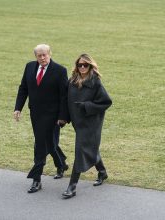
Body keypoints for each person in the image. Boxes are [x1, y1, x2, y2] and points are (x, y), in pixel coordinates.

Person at [14, 44, 69, 193]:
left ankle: (36, 179)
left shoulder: (60, 70)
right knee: (50, 144)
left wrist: (63, 117)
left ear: (50, 54)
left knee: (40, 145)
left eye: (45, 55)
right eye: (39, 55)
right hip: (36, 114)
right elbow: (23, 88)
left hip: (53, 116)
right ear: (35, 57)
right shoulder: (29, 67)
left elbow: (64, 96)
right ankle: (61, 164)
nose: (42, 58)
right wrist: (18, 108)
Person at [62, 53, 112, 199]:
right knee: (89, 148)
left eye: (86, 65)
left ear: (91, 66)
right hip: (78, 122)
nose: (83, 67)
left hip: (91, 123)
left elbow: (106, 102)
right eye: (80, 65)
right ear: (76, 66)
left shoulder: (95, 82)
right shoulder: (72, 81)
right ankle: (102, 172)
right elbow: (66, 100)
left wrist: (86, 106)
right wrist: (63, 118)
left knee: (80, 150)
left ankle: (72, 186)